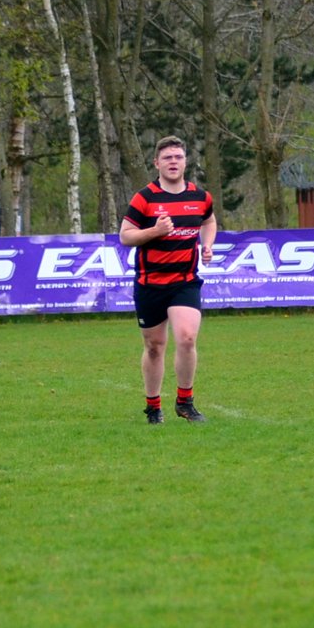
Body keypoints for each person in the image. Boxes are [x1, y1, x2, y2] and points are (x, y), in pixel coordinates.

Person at [119, 136, 217, 424]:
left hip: (184, 281)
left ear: (185, 162)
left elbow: (209, 220)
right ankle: (153, 407)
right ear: (157, 163)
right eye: (167, 158)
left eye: (178, 157)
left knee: (186, 338)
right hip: (150, 283)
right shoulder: (145, 198)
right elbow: (125, 236)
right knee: (155, 346)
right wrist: (155, 231)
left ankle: (185, 402)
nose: (173, 162)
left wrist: (207, 244)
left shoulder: (200, 197)